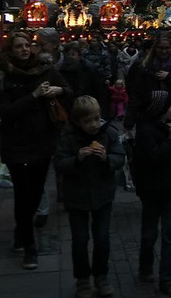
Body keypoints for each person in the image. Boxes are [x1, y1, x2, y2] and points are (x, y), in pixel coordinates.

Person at [0, 31, 72, 270]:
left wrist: (58, 91)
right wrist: (34, 96)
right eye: (18, 46)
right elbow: (6, 112)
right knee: (23, 193)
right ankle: (29, 246)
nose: (24, 49)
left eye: (27, 45)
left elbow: (68, 90)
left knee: (35, 192)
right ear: (9, 50)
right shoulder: (2, 76)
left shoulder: (44, 69)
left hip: (43, 140)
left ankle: (20, 231)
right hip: (17, 143)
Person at [53, 96, 124, 298]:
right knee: (80, 240)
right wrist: (76, 159)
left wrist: (107, 159)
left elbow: (120, 157)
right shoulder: (68, 137)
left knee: (102, 238)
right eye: (87, 121)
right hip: (76, 196)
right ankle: (82, 279)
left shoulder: (109, 133)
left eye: (96, 118)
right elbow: (59, 163)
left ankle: (101, 276)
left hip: (103, 194)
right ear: (78, 122)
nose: (93, 125)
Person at [131, 91, 171, 298]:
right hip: (152, 190)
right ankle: (145, 267)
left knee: (169, 234)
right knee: (149, 233)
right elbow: (155, 158)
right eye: (170, 104)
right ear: (161, 109)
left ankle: (167, 279)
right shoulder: (146, 132)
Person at [125, 32, 171, 132]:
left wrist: (170, 77)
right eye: (161, 48)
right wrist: (129, 122)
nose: (164, 51)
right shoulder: (143, 66)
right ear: (155, 48)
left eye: (167, 48)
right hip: (148, 116)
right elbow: (135, 94)